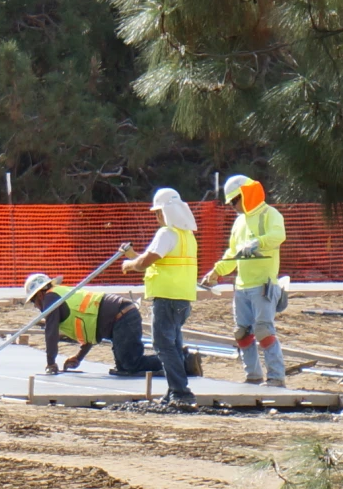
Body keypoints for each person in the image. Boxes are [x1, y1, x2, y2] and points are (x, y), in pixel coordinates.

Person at [204, 174, 288, 387]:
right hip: (241, 287)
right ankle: (253, 376)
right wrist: (216, 272)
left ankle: (276, 377)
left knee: (263, 330)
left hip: (262, 285)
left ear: (246, 194)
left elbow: (279, 236)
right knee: (242, 333)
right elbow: (233, 254)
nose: (233, 206)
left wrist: (256, 243)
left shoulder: (270, 214)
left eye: (235, 200)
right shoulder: (239, 222)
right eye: (230, 202)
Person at [120, 187, 199, 406]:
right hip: (182, 299)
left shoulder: (167, 233)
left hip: (166, 299)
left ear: (166, 212)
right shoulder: (187, 237)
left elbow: (145, 262)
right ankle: (176, 388)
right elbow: (156, 261)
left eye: (158, 212)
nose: (156, 217)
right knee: (173, 344)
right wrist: (134, 257)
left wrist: (129, 264)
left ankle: (180, 391)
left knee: (163, 345)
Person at [23, 272, 161, 376]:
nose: (35, 306)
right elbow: (90, 328)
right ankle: (173, 361)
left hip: (123, 316)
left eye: (33, 301)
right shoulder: (59, 295)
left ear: (39, 295)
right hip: (121, 318)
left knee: (130, 364)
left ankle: (177, 360)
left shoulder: (50, 299)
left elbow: (51, 333)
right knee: (124, 367)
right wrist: (79, 357)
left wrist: (51, 363)